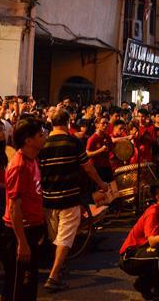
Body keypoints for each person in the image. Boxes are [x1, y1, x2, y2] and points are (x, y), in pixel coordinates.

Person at [39, 108, 109, 292]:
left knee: (56, 236)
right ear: (68, 122)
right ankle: (54, 276)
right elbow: (88, 168)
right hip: (69, 196)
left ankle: (59, 267)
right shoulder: (73, 142)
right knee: (65, 237)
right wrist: (102, 184)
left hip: (48, 198)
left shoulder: (42, 144)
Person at [2, 118, 46, 301]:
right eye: (41, 135)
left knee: (29, 284)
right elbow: (14, 207)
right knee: (17, 286)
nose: (45, 138)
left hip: (32, 229)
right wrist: (22, 242)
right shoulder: (19, 166)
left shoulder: (33, 160)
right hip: (20, 232)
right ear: (29, 140)